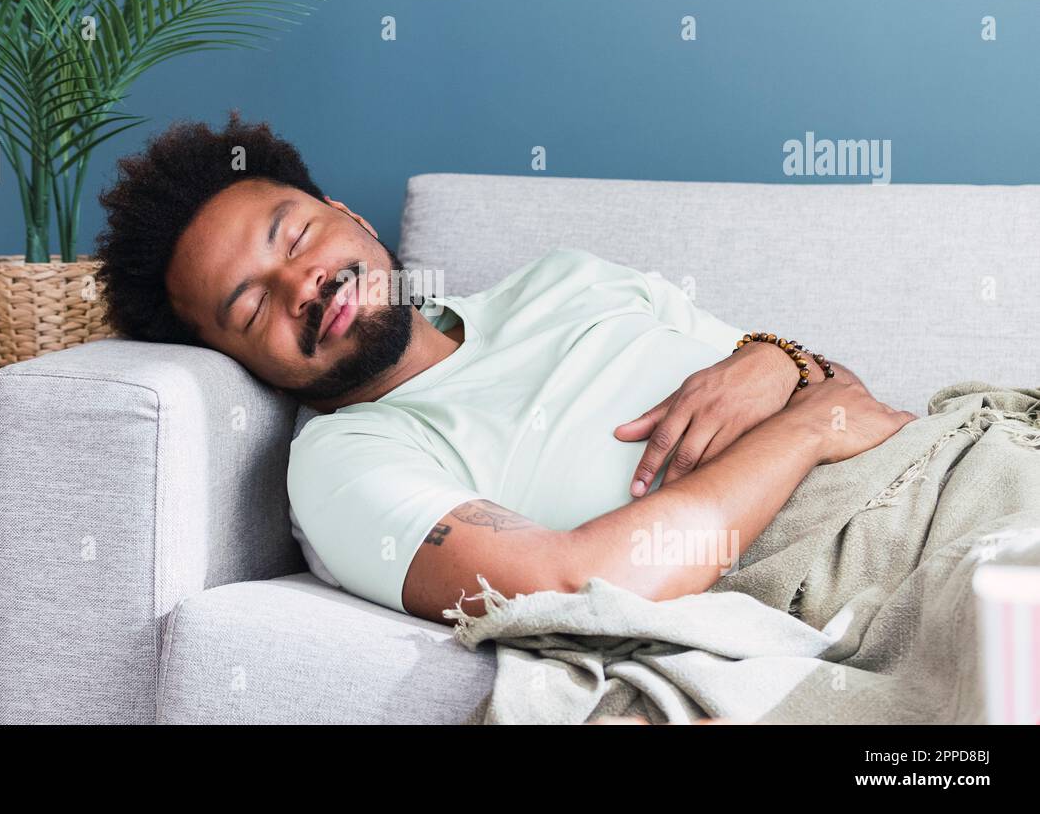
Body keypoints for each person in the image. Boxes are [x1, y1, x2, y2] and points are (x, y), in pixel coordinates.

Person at [95, 111, 917, 626]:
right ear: (238, 362)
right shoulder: (346, 465)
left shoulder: (566, 279)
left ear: (344, 214)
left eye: (298, 236)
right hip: (874, 565)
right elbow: (581, 583)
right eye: (252, 309)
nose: (302, 286)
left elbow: (849, 395)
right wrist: (804, 429)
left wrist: (775, 362)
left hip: (949, 455)